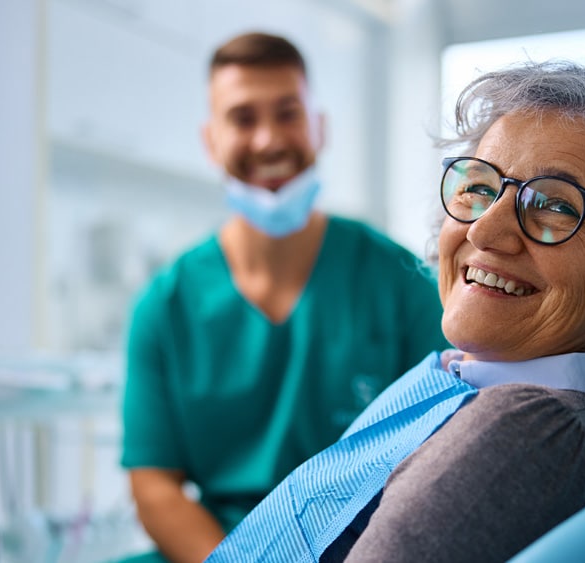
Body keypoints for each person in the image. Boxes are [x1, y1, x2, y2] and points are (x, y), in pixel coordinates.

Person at [205, 60, 585, 563]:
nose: (485, 229)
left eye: (556, 206)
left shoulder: (531, 430)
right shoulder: (489, 394)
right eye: (479, 188)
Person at [119, 32, 448, 563]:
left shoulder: (400, 282)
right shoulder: (165, 306)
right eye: (243, 118)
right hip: (215, 551)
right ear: (211, 140)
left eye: (288, 113)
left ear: (320, 128)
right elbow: (155, 488)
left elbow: (446, 453)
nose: (269, 139)